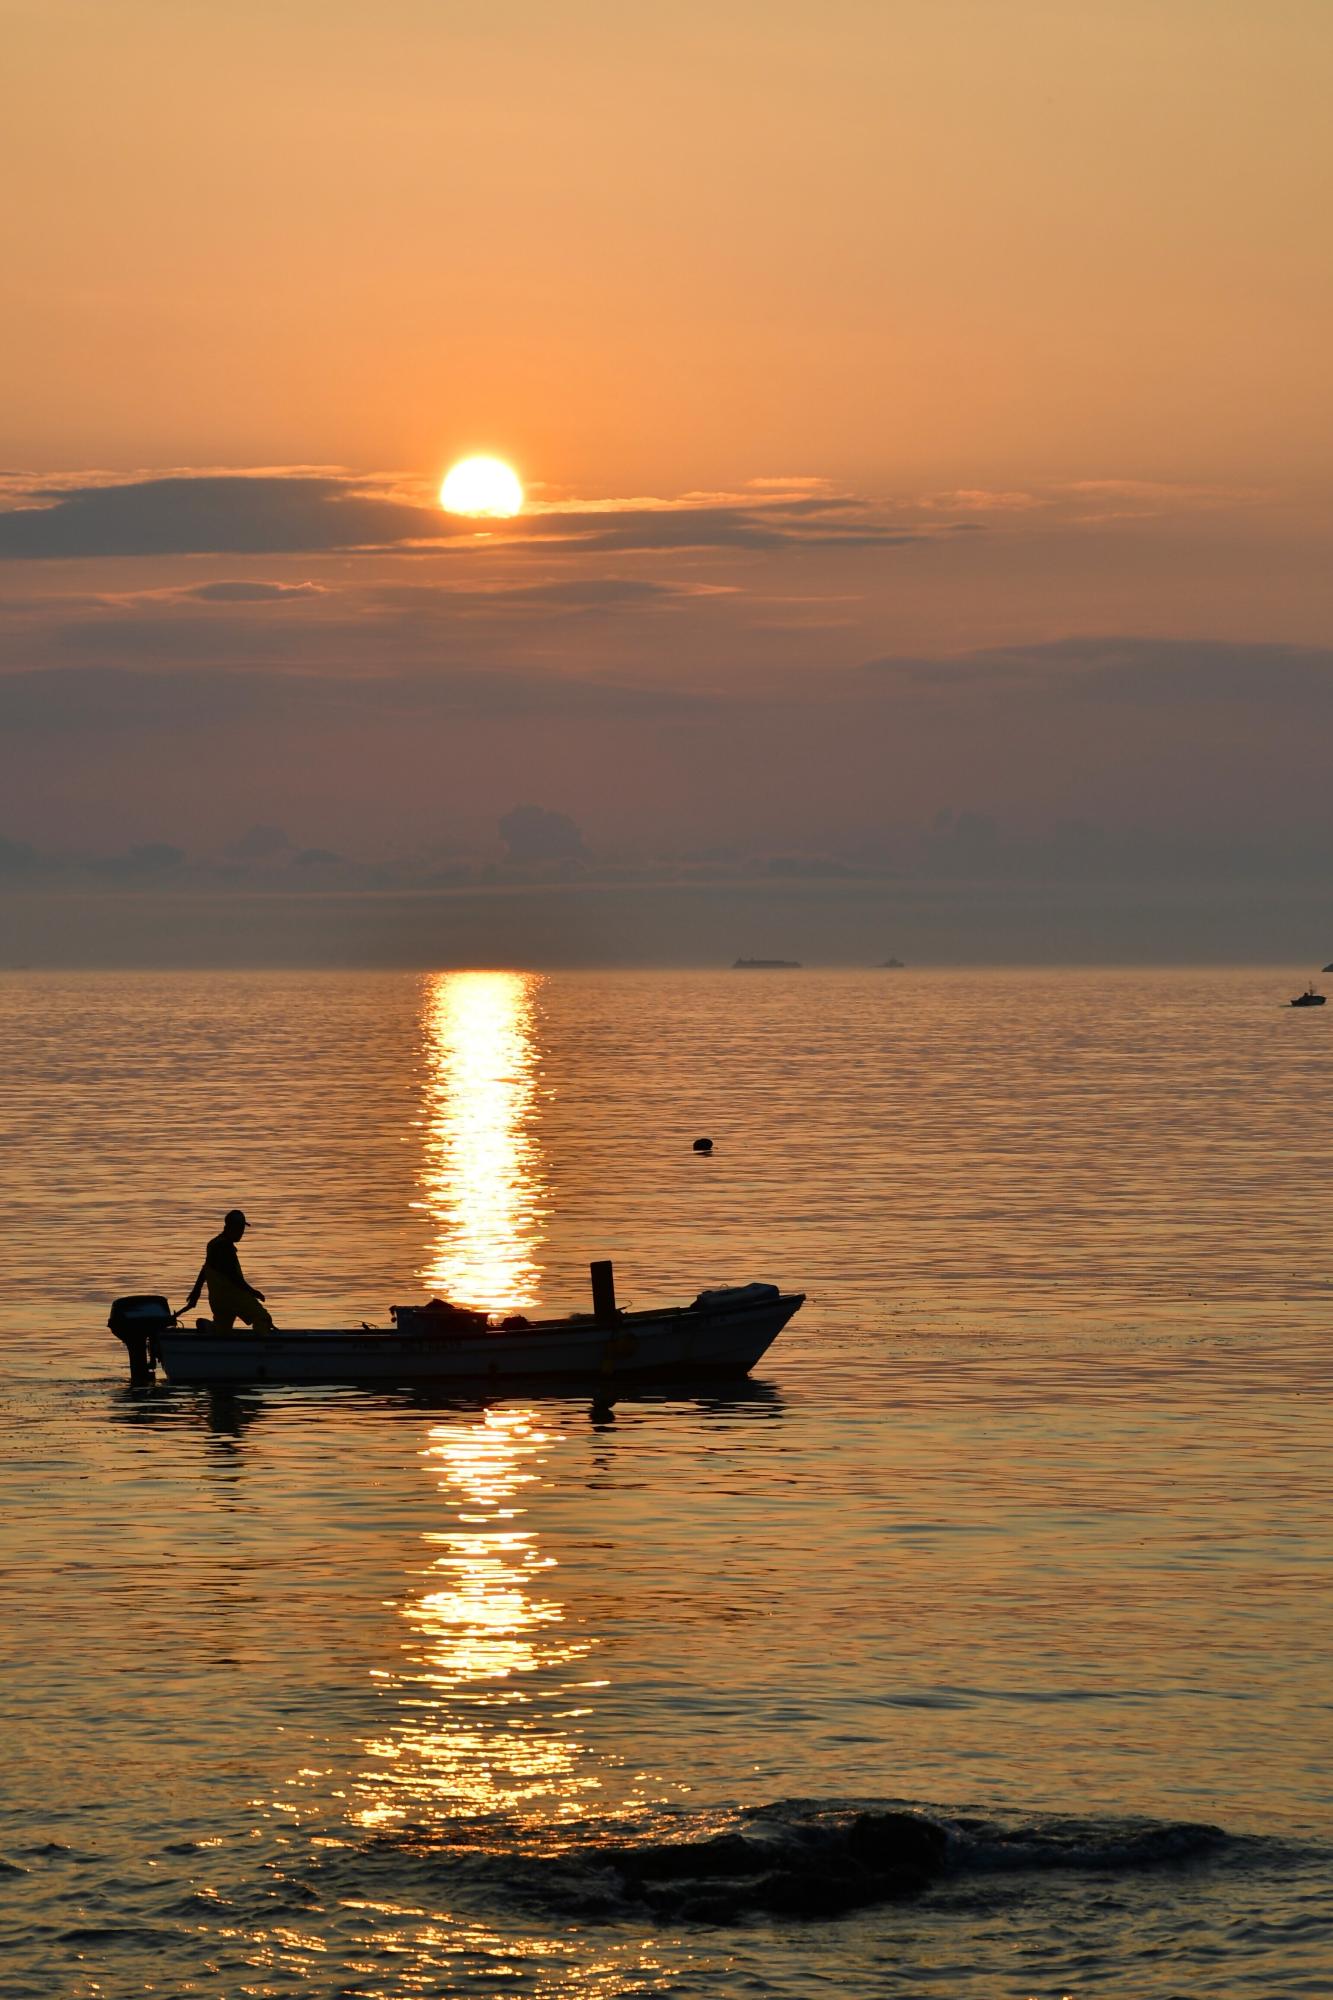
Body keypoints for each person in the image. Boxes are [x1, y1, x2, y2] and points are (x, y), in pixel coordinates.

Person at [182, 1210, 275, 1333]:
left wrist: (196, 1292)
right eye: (239, 1228)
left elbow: (205, 1269)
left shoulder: (214, 1244)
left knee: (222, 1330)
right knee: (262, 1318)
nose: (241, 1232)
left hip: (217, 1300)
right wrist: (252, 1292)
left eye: (242, 1229)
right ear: (229, 1227)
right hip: (233, 1297)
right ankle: (261, 1342)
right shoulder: (225, 1248)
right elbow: (233, 1277)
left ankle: (208, 1327)